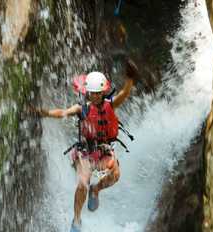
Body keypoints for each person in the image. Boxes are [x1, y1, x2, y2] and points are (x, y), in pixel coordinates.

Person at [32, 59, 139, 232]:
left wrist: (130, 78)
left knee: (115, 175)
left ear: (103, 92)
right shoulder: (81, 108)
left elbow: (124, 94)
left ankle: (96, 190)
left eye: (98, 93)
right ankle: (76, 221)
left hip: (103, 150)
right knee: (83, 182)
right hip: (85, 152)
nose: (95, 96)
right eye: (92, 93)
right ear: (87, 92)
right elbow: (63, 112)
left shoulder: (110, 105)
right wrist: (44, 113)